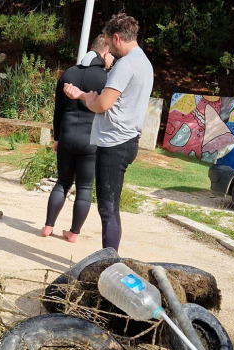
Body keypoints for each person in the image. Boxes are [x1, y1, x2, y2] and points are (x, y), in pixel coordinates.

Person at [63, 13, 154, 251]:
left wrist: (84, 97)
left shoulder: (125, 65)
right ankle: (109, 259)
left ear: (116, 37)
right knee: (110, 206)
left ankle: (109, 262)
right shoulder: (144, 62)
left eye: (110, 43)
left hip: (115, 141)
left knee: (108, 207)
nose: (110, 50)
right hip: (128, 139)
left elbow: (102, 105)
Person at [42, 35, 114, 243]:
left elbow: (58, 110)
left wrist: (57, 137)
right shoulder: (107, 79)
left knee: (62, 182)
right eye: (111, 57)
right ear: (105, 53)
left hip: (66, 135)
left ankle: (48, 226)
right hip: (91, 139)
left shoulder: (69, 72)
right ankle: (73, 233)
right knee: (84, 187)